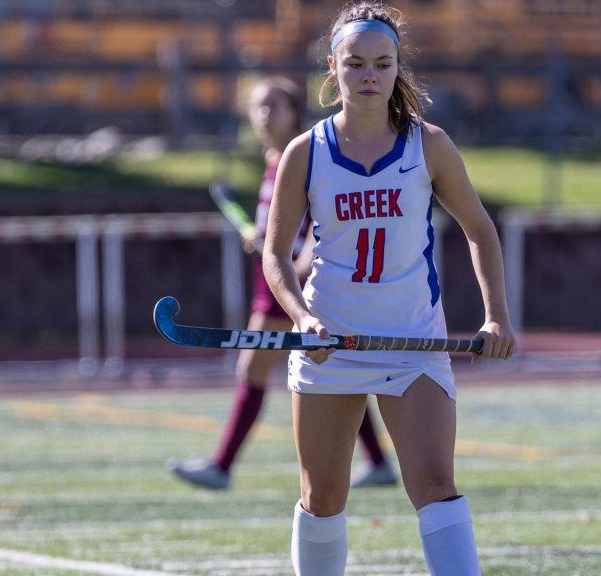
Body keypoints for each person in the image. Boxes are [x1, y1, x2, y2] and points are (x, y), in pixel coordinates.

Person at [263, 4, 517, 574]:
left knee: (435, 484)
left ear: (398, 68)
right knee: (322, 497)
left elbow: (480, 230)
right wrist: (303, 320)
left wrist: (496, 315)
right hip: (330, 344)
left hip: (411, 342)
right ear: (333, 68)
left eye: (382, 63)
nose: (369, 75)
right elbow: (276, 255)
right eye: (355, 63)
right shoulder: (305, 152)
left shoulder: (428, 145)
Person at [168, 76, 398, 491]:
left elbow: (322, 218)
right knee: (333, 367)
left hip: (293, 282)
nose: (263, 115)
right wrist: (261, 239)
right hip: (275, 277)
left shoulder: (305, 156)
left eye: (273, 106)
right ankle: (378, 462)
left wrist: (301, 262)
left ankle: (221, 466)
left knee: (254, 369)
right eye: (258, 106)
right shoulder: (275, 158)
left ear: (294, 112)